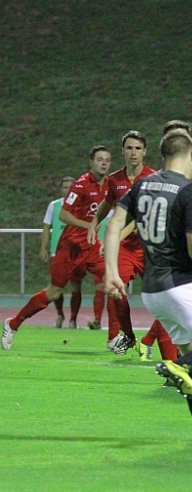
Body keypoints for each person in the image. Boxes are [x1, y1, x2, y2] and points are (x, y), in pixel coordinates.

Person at [104, 128, 192, 442]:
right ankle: (179, 366)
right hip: (183, 286)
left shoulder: (142, 185)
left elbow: (113, 226)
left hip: (153, 293)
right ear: (191, 154)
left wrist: (111, 272)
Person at [3, 146, 111, 350]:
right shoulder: (80, 185)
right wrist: (87, 225)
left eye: (107, 159)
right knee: (54, 292)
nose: (104, 163)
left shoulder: (109, 185)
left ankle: (115, 337)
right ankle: (13, 324)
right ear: (91, 162)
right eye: (99, 159)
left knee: (112, 283)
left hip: (91, 245)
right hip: (70, 244)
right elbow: (63, 215)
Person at [87, 130, 158, 355]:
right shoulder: (114, 179)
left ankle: (162, 341)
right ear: (122, 151)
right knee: (116, 289)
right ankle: (127, 335)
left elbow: (141, 217)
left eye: (138, 148)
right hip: (126, 247)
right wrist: (94, 221)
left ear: (145, 151)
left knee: (165, 294)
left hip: (150, 246)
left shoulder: (154, 179)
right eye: (129, 148)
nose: (133, 152)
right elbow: (108, 203)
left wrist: (113, 238)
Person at [41, 176, 84, 328]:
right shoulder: (54, 206)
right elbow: (46, 226)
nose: (68, 190)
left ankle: (73, 319)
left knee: (76, 286)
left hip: (76, 253)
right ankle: (60, 315)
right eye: (65, 187)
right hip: (57, 252)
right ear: (61, 189)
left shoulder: (81, 206)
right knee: (56, 286)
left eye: (71, 187)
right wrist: (43, 248)